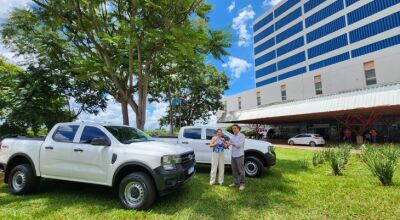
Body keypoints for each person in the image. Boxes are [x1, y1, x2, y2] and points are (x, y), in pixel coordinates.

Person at [229, 124, 246, 190]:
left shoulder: (242, 136)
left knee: (241, 170)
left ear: (238, 129)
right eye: (233, 128)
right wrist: (226, 143)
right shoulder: (232, 136)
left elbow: (239, 145)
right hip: (233, 155)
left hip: (240, 155)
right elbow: (229, 143)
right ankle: (235, 182)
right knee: (234, 170)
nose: (234, 129)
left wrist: (231, 143)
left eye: (235, 128)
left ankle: (242, 184)